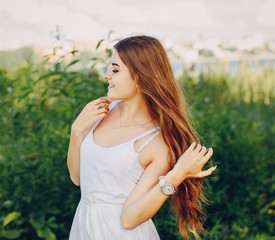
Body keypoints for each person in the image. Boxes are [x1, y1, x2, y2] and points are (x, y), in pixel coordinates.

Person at [67, 35, 216, 240]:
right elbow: (78, 178)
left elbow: (129, 219)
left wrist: (176, 175)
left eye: (115, 69)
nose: (106, 75)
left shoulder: (155, 141)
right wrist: (76, 132)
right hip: (84, 226)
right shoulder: (100, 111)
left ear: (140, 77)